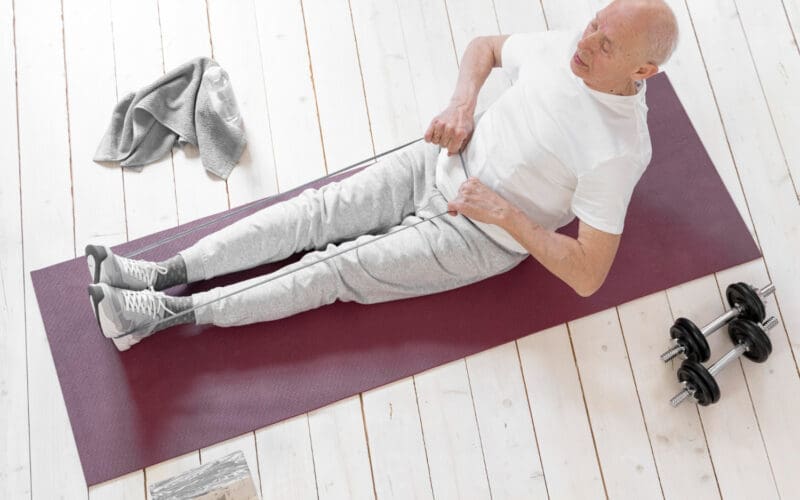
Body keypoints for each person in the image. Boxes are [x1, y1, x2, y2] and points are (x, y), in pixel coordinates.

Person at [87, 0, 679, 351]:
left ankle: (165, 315)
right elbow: (486, 47)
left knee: (334, 267)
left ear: (643, 69)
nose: (588, 42)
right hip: (440, 158)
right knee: (312, 212)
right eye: (594, 23)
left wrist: (503, 214)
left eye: (606, 44)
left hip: (477, 234)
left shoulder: (618, 152)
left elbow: (587, 274)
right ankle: (162, 271)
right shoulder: (568, 46)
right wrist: (462, 103)